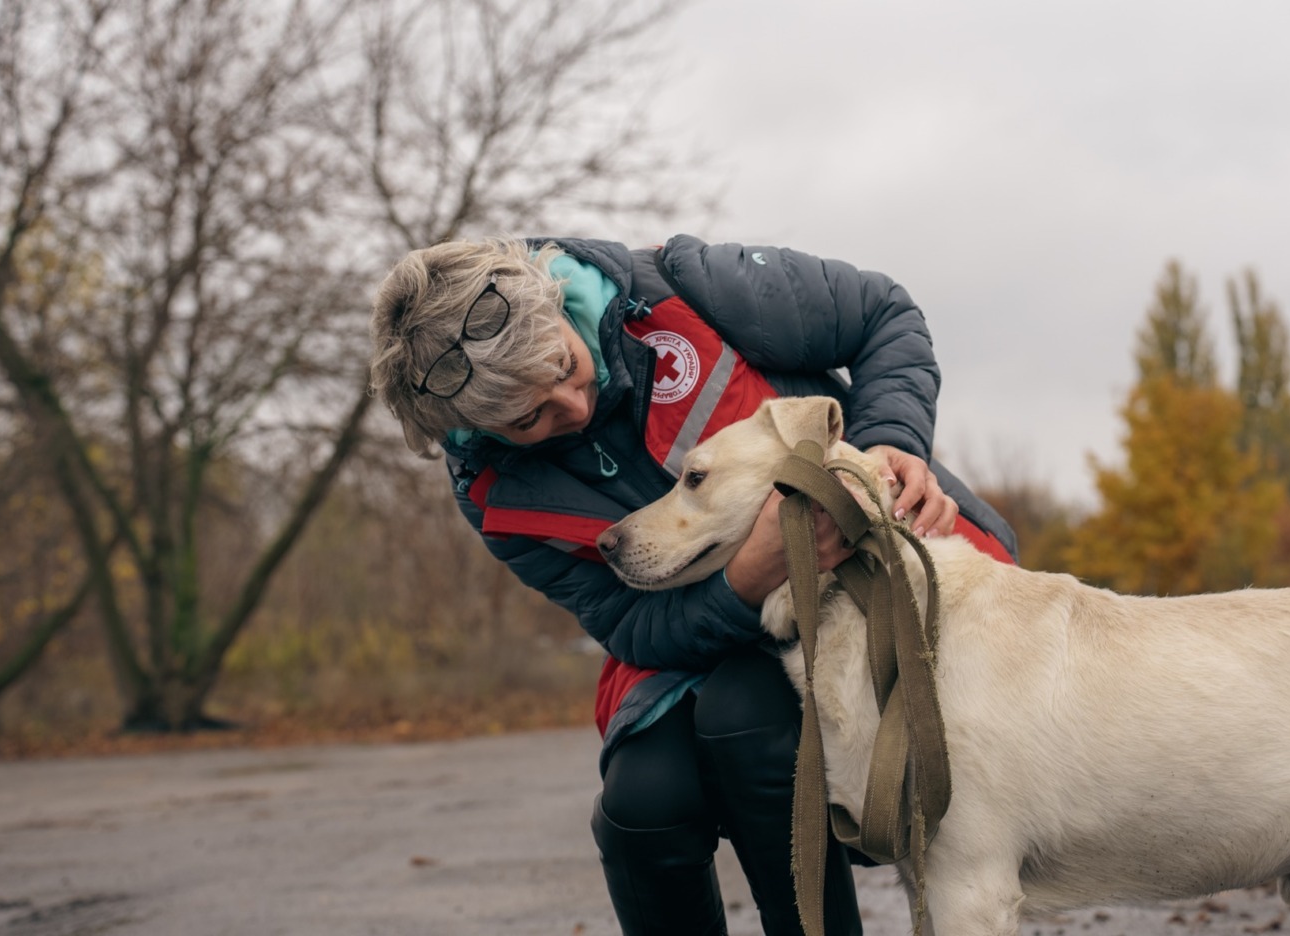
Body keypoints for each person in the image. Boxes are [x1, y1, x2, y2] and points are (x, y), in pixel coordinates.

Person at [369, 235, 1017, 936]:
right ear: (474, 429)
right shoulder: (490, 493)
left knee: (750, 724)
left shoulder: (685, 285)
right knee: (641, 806)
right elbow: (627, 627)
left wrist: (889, 439)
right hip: (698, 635)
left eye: (563, 364)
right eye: (529, 418)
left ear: (552, 302)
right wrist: (747, 579)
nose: (573, 406)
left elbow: (882, 315)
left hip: (861, 588)